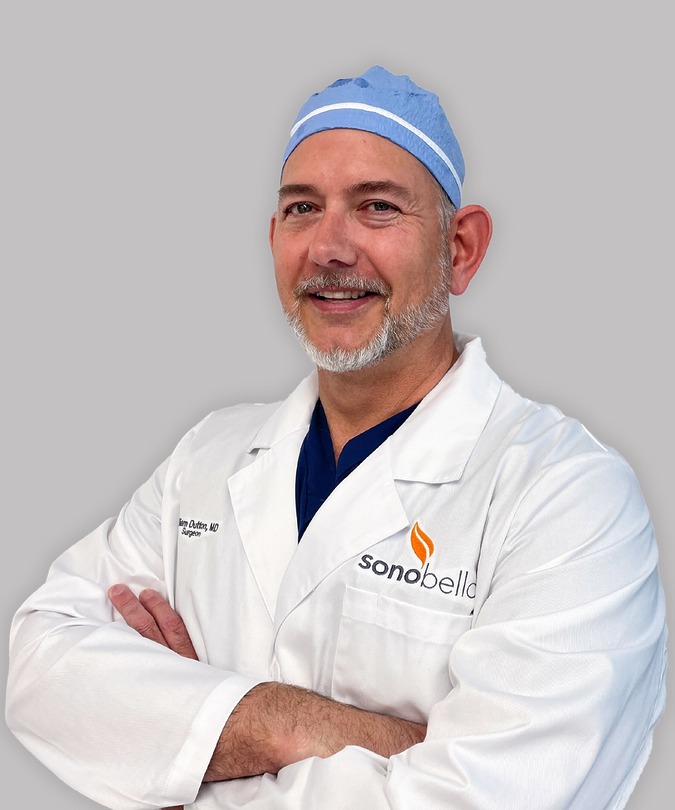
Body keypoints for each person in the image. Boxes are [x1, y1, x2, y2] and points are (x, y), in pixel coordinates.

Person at [5, 66, 667, 810]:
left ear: (460, 249)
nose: (328, 247)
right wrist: (315, 727)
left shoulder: (569, 497)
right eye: (301, 209)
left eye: (376, 207)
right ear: (271, 239)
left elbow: (498, 798)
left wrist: (177, 744)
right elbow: (36, 664)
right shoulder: (207, 456)